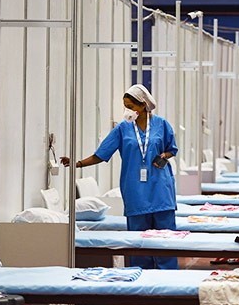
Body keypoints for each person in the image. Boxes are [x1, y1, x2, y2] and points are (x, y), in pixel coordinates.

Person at [61, 84, 179, 269]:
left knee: (166, 241)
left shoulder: (162, 124)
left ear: (143, 105)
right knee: (138, 244)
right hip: (135, 191)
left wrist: (163, 156)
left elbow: (172, 150)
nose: (127, 110)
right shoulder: (123, 129)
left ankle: (169, 279)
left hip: (161, 189)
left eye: (130, 106)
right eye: (125, 106)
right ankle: (141, 281)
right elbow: (101, 154)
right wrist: (77, 163)